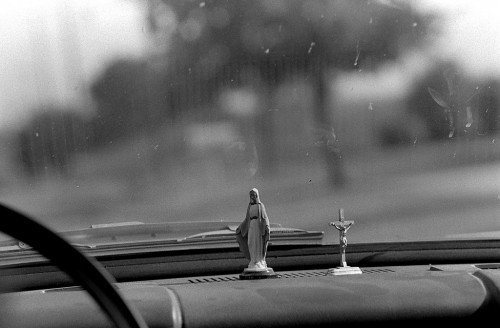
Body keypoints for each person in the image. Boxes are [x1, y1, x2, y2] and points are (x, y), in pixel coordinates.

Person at [236, 188, 270, 270]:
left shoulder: (260, 206)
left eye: (253, 195)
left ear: (256, 195)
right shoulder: (250, 206)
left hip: (258, 227)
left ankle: (258, 261)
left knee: (257, 243)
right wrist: (240, 227)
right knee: (251, 243)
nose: (252, 196)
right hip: (251, 226)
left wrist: (267, 226)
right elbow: (247, 219)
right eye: (250, 195)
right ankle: (253, 260)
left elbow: (265, 217)